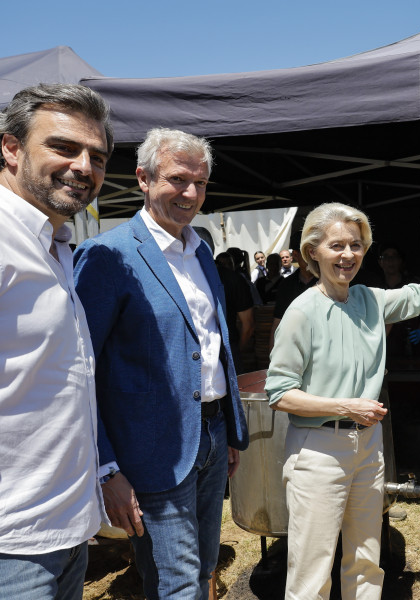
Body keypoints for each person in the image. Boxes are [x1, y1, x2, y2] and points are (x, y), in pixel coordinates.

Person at [266, 202, 420, 600]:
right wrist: (346, 406)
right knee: (312, 567)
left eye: (356, 246)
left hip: (367, 444)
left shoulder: (367, 299)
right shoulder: (301, 312)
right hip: (319, 451)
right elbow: (280, 393)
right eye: (337, 246)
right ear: (313, 252)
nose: (348, 255)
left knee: (365, 557)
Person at [74, 127, 249, 600]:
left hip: (210, 438)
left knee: (204, 567)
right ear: (143, 180)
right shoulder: (108, 255)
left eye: (201, 182)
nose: (190, 193)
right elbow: (81, 369)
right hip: (149, 451)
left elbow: (214, 345)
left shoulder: (202, 251)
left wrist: (225, 428)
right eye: (177, 179)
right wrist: (106, 467)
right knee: (177, 583)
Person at [0, 83, 112, 600]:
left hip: (65, 531)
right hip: (11, 546)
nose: (84, 166)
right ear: (11, 148)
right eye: (64, 148)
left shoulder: (57, 243)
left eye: (96, 155)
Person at [268, 231, 318, 351]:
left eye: (315, 252)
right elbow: (278, 322)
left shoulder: (328, 281)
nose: (313, 257)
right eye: (308, 253)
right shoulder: (287, 285)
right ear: (295, 254)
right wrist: (272, 353)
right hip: (296, 348)